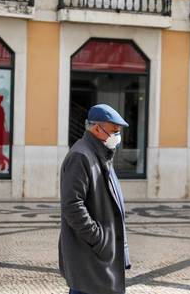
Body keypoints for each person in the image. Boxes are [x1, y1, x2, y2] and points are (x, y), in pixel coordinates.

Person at [59, 104, 131, 294]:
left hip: (99, 256)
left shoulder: (101, 153)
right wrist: (99, 239)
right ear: (97, 128)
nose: (118, 136)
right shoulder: (81, 155)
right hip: (89, 256)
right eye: (114, 131)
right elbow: (72, 205)